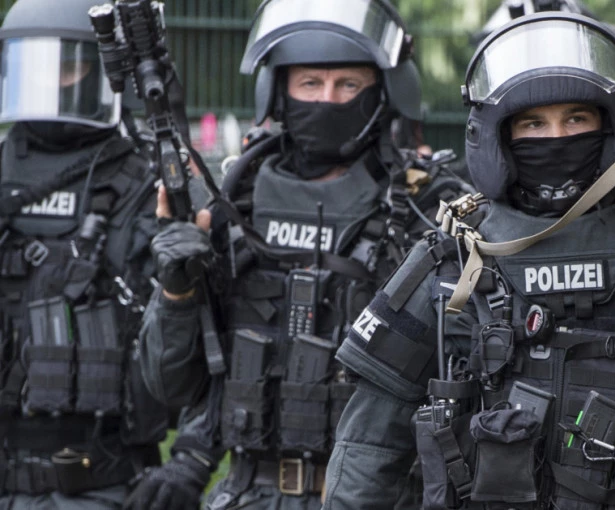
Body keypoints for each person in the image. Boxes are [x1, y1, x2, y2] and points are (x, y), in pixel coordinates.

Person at [322, 12, 615, 509]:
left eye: (576, 119)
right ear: (500, 137)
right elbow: (368, 449)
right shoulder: (452, 260)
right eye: (534, 123)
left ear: (610, 128)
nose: (556, 137)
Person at [135, 1, 470, 509]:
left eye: (348, 85)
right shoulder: (233, 202)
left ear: (384, 91)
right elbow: (170, 386)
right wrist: (175, 291)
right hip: (248, 494)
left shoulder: (428, 209)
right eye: (310, 83)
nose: (327, 99)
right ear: (278, 91)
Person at [0, 0, 168, 508]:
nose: (51, 82)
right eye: (36, 65)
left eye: (69, 65)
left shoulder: (147, 182)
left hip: (101, 481)